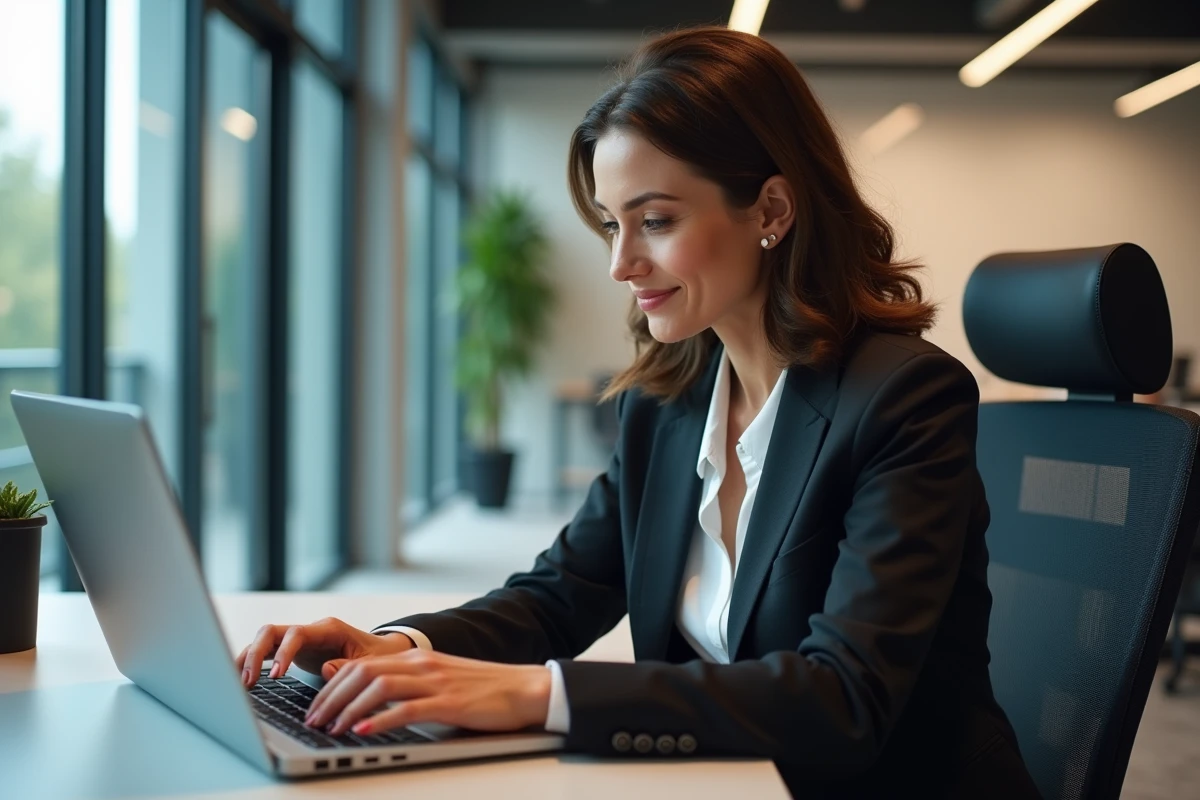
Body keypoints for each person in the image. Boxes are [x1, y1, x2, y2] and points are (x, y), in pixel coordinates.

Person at [237, 26, 1041, 798]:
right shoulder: (671, 401)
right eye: (613, 224)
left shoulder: (904, 399)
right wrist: (399, 648)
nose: (622, 263)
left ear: (770, 211)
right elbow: (561, 593)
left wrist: (533, 697)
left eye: (655, 221)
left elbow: (843, 700)